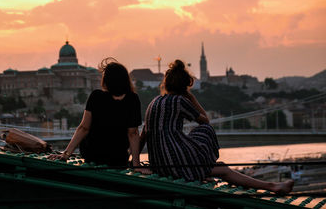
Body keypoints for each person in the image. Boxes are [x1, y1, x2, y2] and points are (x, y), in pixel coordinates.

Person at [140, 59, 294, 194]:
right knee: (206, 133)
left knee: (216, 163)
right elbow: (205, 121)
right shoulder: (180, 101)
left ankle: (204, 170)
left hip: (160, 164)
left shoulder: (154, 102)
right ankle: (273, 187)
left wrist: (134, 161)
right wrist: (192, 98)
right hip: (177, 165)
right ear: (184, 87)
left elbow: (143, 135)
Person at [48, 58, 143, 168]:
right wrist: (136, 164)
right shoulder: (132, 99)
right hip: (117, 158)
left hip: (92, 155)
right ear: (126, 80)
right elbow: (133, 133)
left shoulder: (96, 96)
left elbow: (84, 128)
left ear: (106, 80)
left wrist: (66, 154)